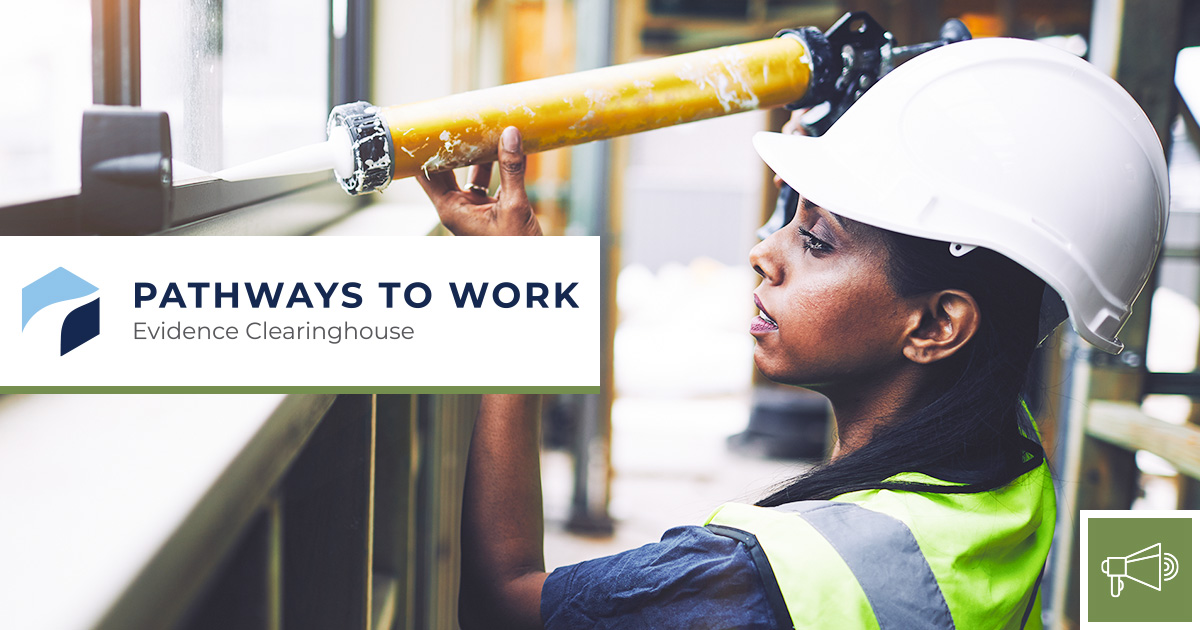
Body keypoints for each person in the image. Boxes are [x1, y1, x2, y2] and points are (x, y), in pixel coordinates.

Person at [417, 37, 1168, 630]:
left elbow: (502, 604)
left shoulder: (769, 575)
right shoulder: (1005, 468)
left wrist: (515, 296)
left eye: (816, 241)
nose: (762, 253)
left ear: (939, 323)